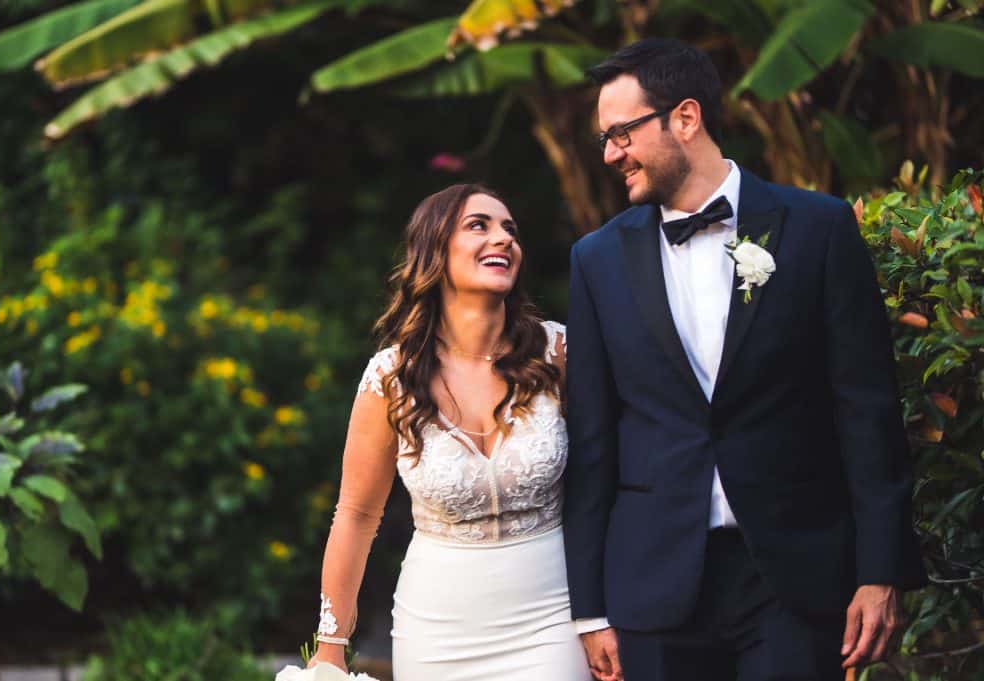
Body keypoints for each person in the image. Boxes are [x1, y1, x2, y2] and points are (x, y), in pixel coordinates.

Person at [563, 38, 926, 681]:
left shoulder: (818, 227)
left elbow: (866, 409)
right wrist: (589, 610)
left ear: (686, 117)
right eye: (605, 139)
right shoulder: (596, 260)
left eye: (621, 132)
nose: (611, 154)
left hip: (796, 577)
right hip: (652, 583)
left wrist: (881, 569)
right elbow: (594, 440)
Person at [308, 183, 592, 680]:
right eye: (479, 225)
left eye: (510, 230)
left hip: (552, 617)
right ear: (435, 250)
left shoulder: (559, 354)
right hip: (436, 629)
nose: (503, 238)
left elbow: (605, 485)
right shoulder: (391, 377)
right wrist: (331, 645)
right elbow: (355, 514)